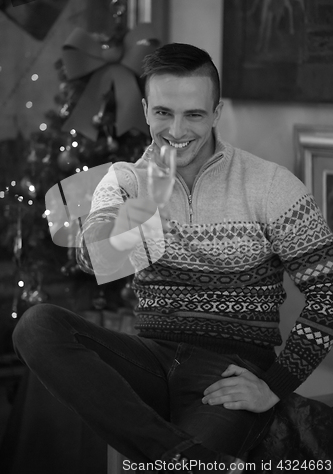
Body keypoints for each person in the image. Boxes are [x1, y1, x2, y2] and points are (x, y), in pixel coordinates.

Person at [12, 43, 333, 473]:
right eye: (163, 112)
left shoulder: (271, 186)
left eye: (194, 114)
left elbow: (328, 289)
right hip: (148, 358)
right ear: (145, 110)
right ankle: (184, 458)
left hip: (228, 372)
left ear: (216, 113)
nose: (176, 130)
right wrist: (146, 202)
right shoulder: (123, 180)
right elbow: (96, 261)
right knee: (37, 326)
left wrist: (274, 386)